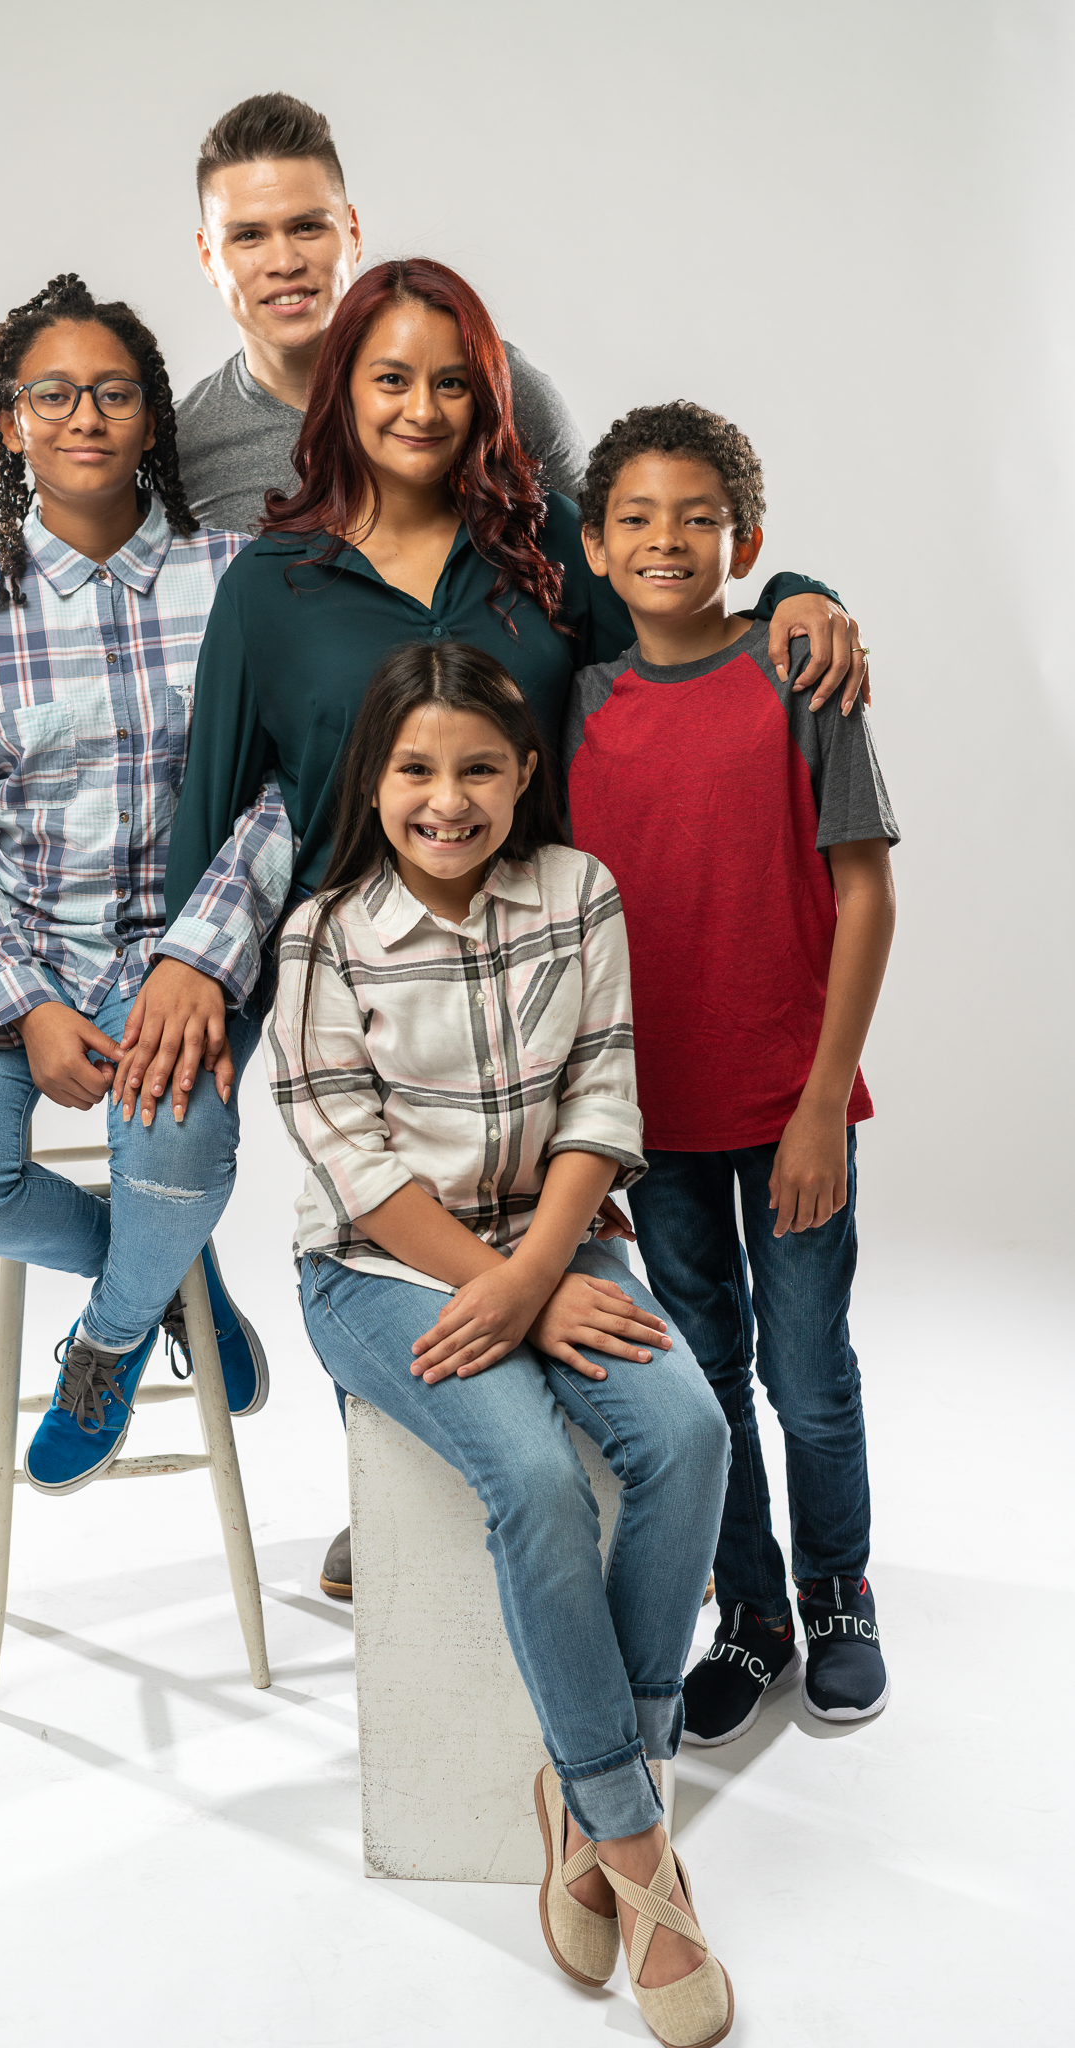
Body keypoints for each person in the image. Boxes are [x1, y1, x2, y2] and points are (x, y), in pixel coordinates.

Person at [134, 256, 857, 1599]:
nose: (421, 407)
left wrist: (800, 587)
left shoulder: (540, 547)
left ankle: (672, 1531)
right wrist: (194, 974)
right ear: (339, 387)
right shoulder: (269, 586)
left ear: (490, 398)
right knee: (408, 1275)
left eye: (451, 381)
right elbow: (214, 805)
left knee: (593, 1292)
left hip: (547, 1003)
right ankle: (410, 1521)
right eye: (390, 377)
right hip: (369, 1012)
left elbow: (679, 600)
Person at [267, 639, 736, 2044]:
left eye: (478, 768)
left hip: (559, 1240)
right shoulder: (319, 937)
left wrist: (543, 1269)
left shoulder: (574, 892)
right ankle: (635, 1843)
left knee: (692, 1433)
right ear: (376, 780)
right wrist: (514, 1286)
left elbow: (602, 1092)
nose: (447, 800)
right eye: (416, 770)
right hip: (377, 1271)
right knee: (528, 1478)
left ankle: (588, 1789)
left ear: (526, 773)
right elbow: (349, 1159)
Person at [0, 274, 268, 1500]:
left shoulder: (240, 582)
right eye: (51, 394)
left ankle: (105, 1341)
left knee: (180, 1156)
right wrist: (26, 1005)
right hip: (16, 939)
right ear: (13, 423)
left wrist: (196, 959)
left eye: (113, 392)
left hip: (182, 949)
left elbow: (287, 794)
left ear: (153, 418)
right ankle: (162, 1271)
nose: (84, 416)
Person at [566, 401, 898, 1736]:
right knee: (702, 1379)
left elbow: (864, 895)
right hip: (651, 1126)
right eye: (635, 519)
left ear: (742, 538)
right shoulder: (576, 707)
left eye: (694, 519)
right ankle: (748, 1609)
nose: (664, 541)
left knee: (805, 1372)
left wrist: (823, 1099)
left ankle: (836, 1592)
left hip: (786, 1109)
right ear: (592, 548)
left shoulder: (793, 673)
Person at [175, 91, 594, 528]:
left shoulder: (486, 378)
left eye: (307, 227)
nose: (285, 263)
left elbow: (605, 557)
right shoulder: (186, 444)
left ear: (352, 234)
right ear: (208, 257)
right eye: (248, 237)